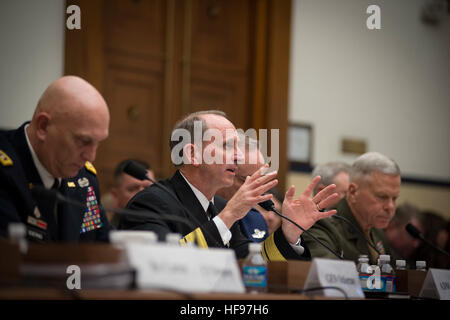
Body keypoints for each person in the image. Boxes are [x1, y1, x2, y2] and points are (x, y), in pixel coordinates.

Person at [119, 110, 339, 260]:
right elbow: (162, 264)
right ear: (193, 154)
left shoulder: (220, 206)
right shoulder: (151, 202)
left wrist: (289, 233)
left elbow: (249, 266)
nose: (238, 157)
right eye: (228, 146)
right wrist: (230, 214)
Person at [0, 76, 112, 242]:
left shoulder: (84, 181)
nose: (91, 156)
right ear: (43, 126)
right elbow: (10, 260)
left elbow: (98, 244)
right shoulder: (5, 173)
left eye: (98, 143)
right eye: (84, 141)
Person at [303, 152, 400, 264]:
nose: (390, 207)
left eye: (394, 198)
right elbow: (330, 274)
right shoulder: (323, 227)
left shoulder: (377, 231)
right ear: (353, 192)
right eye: (382, 197)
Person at [216, 135, 280, 242]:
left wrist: (290, 236)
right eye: (245, 180)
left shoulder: (256, 219)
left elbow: (262, 257)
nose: (255, 190)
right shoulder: (195, 211)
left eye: (258, 181)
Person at [107, 159, 155, 227]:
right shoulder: (106, 233)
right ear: (115, 196)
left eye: (148, 188)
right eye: (132, 189)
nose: (143, 195)